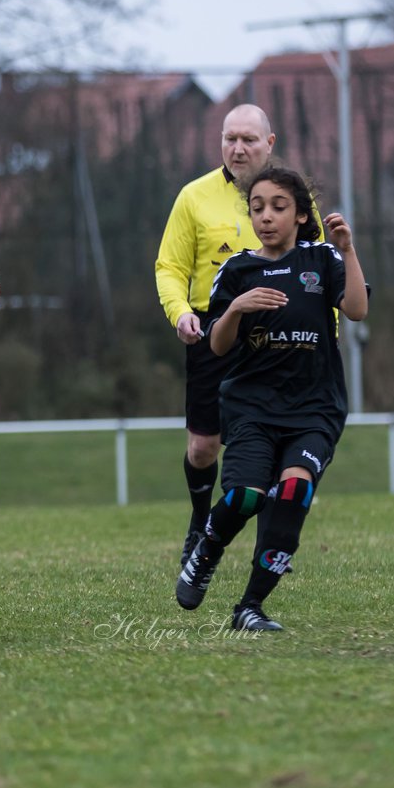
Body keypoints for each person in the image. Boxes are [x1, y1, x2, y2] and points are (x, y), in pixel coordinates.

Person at [174, 166, 368, 630]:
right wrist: (237, 308)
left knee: (296, 490)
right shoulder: (238, 269)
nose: (266, 217)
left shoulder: (322, 260)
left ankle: (250, 608)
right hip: (252, 408)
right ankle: (208, 549)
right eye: (257, 207)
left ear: (301, 215)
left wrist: (348, 250)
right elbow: (218, 346)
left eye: (278, 207)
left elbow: (358, 310)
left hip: (314, 407)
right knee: (244, 496)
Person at [155, 104, 278, 565]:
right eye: (230, 138)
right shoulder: (194, 197)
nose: (238, 147)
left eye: (248, 139)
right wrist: (180, 313)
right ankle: (199, 520)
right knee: (204, 446)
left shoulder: (292, 196)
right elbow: (169, 267)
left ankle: (271, 542)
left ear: (270, 143)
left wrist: (328, 330)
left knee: (273, 439)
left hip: (275, 335)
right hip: (213, 331)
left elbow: (319, 269)